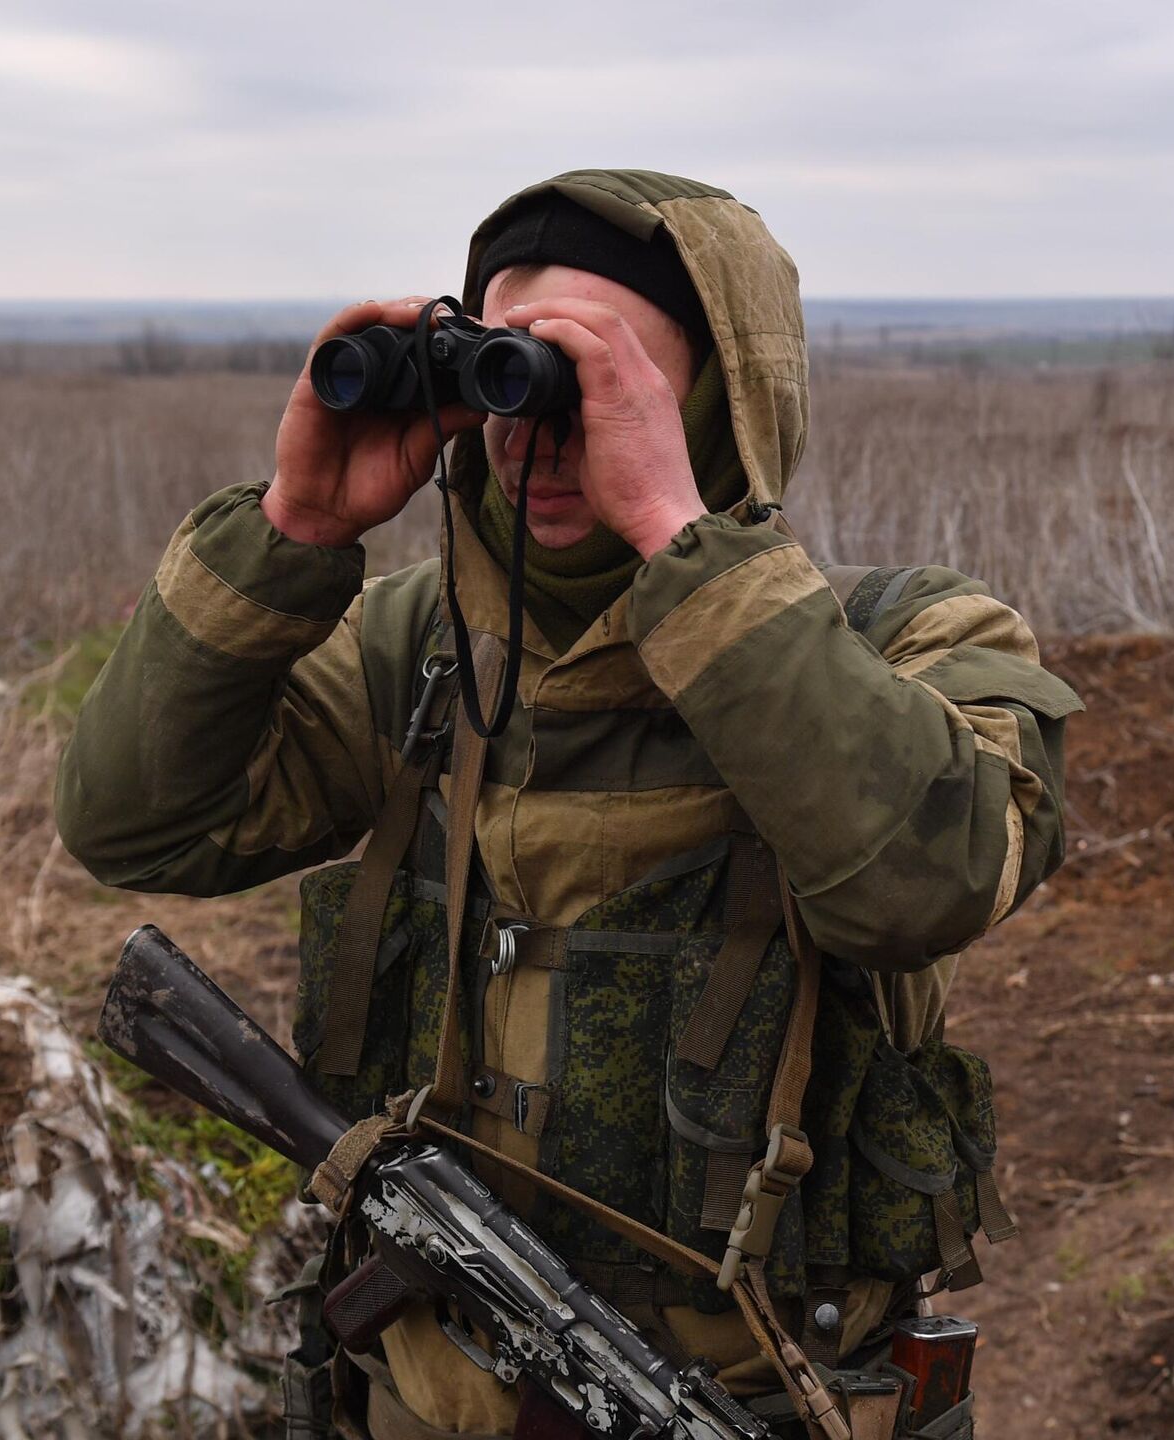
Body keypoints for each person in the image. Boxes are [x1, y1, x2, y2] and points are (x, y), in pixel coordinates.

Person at [56, 169, 1078, 1440]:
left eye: (600, 385)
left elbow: (923, 882)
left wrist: (672, 530)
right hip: (418, 1404)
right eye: (506, 373)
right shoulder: (420, 651)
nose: (533, 432)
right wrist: (295, 528)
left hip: (752, 1406)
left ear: (717, 404)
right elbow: (135, 821)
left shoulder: (908, 644)